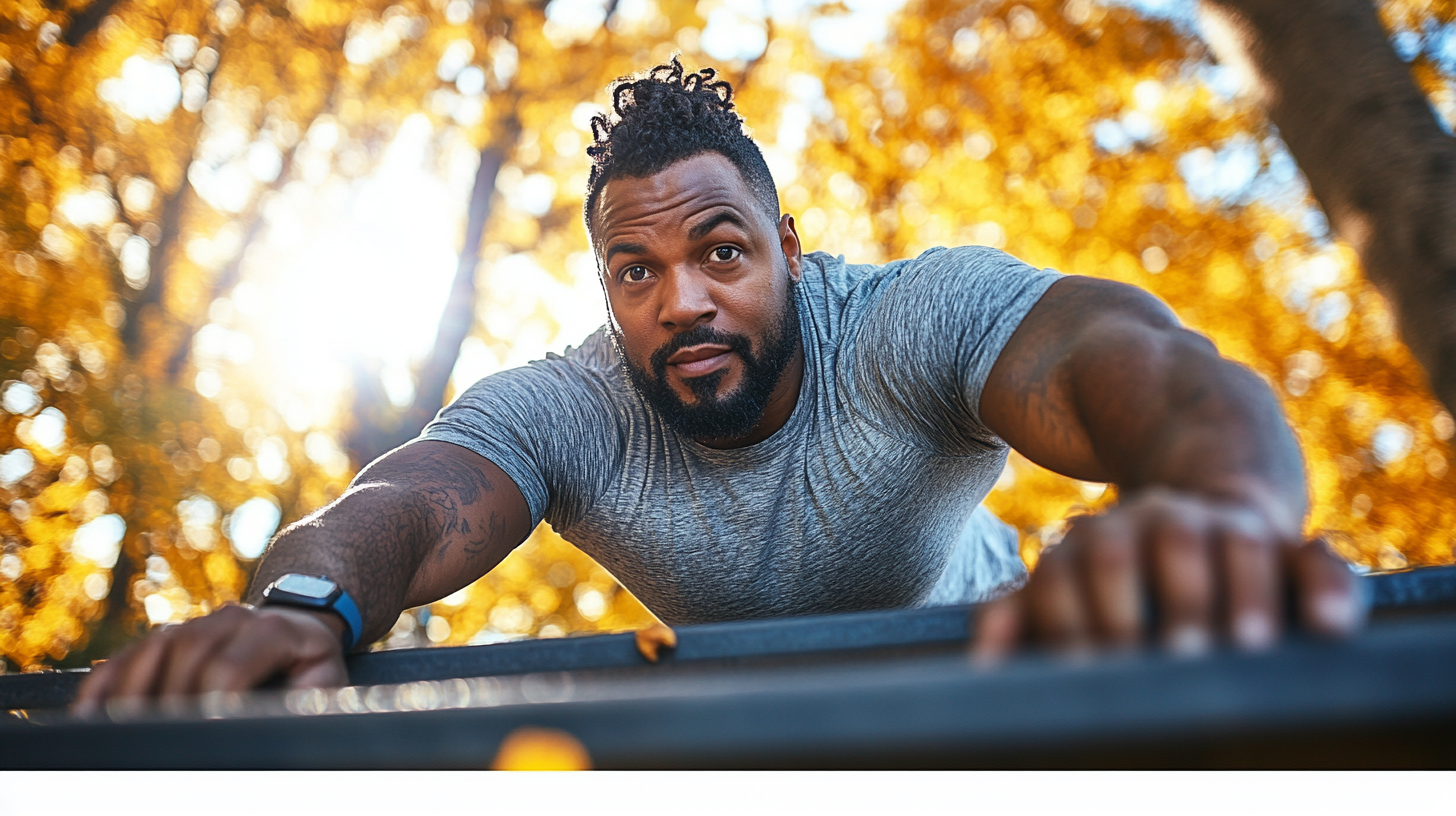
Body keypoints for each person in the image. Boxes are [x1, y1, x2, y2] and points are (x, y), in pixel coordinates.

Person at [73, 58, 1361, 715]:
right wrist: (310, 605)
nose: (679, 300)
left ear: (792, 250)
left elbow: (1137, 364)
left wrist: (1222, 504)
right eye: (634, 271)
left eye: (721, 251)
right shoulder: (581, 405)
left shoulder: (907, 320)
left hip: (1001, 699)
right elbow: (406, 496)